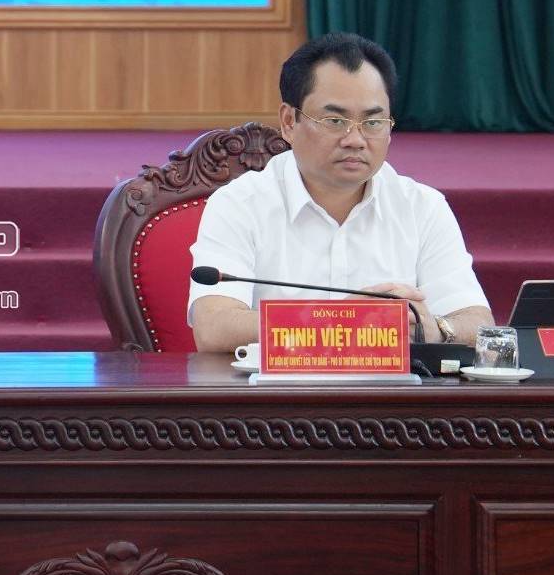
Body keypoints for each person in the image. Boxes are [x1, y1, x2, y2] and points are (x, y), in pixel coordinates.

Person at [188, 32, 494, 353]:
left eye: (373, 122)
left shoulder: (422, 207)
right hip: (280, 385)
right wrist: (340, 319)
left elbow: (477, 324)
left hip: (391, 386)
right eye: (335, 121)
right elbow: (214, 327)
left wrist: (437, 329)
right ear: (289, 122)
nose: (355, 140)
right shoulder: (239, 204)